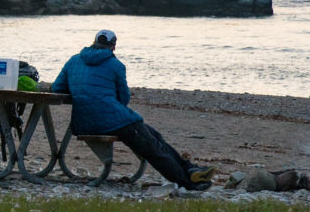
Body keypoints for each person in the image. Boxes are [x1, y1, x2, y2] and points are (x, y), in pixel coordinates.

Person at [52, 28, 216, 191]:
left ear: (94, 42)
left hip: (83, 123)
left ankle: (190, 169)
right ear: (113, 46)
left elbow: (57, 88)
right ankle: (187, 182)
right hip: (114, 121)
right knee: (153, 148)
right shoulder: (115, 65)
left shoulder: (73, 61)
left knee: (153, 136)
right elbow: (124, 99)